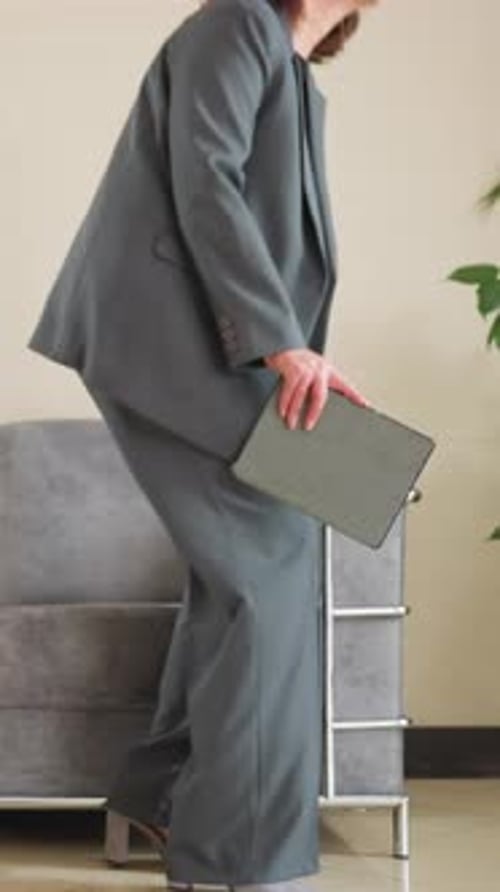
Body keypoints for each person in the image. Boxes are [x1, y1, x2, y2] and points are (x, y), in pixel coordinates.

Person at [26, 1, 378, 889]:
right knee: (269, 559)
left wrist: (300, 353)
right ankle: (236, 857)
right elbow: (206, 178)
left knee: (244, 572)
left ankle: (163, 795)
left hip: (215, 349)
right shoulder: (238, 22)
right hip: (166, 339)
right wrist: (278, 340)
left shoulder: (295, 73)